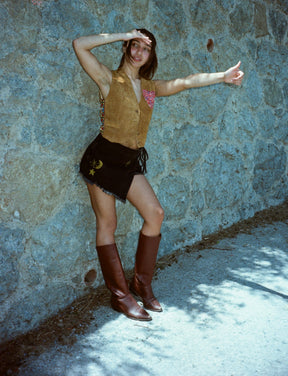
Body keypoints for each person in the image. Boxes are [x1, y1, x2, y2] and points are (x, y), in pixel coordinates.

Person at [72, 29, 244, 322]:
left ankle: (141, 283)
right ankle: (120, 296)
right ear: (127, 47)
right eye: (134, 46)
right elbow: (79, 45)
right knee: (108, 222)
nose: (139, 53)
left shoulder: (150, 88)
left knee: (155, 213)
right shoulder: (108, 79)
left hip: (128, 162)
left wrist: (222, 76)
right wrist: (122, 33)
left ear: (151, 56)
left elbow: (186, 82)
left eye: (145, 49)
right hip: (102, 161)